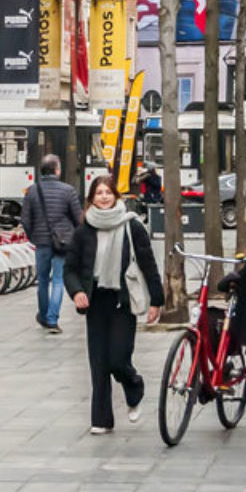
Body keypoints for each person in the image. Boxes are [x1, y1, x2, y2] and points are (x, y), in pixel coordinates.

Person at [65, 176, 163, 434]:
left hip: (122, 301)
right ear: (91, 199)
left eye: (108, 192)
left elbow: (148, 264)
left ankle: (134, 388)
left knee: (118, 359)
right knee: (98, 362)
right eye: (99, 193)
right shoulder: (84, 230)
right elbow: (70, 269)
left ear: (117, 197)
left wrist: (157, 300)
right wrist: (76, 292)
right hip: (95, 301)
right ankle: (101, 420)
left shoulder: (132, 227)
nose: (104, 197)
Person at [20, 155, 82, 334]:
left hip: (41, 243)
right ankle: (53, 319)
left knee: (42, 281)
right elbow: (78, 218)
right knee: (58, 280)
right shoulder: (68, 190)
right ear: (57, 170)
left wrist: (33, 236)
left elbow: (25, 219)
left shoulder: (32, 191)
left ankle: (44, 315)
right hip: (62, 242)